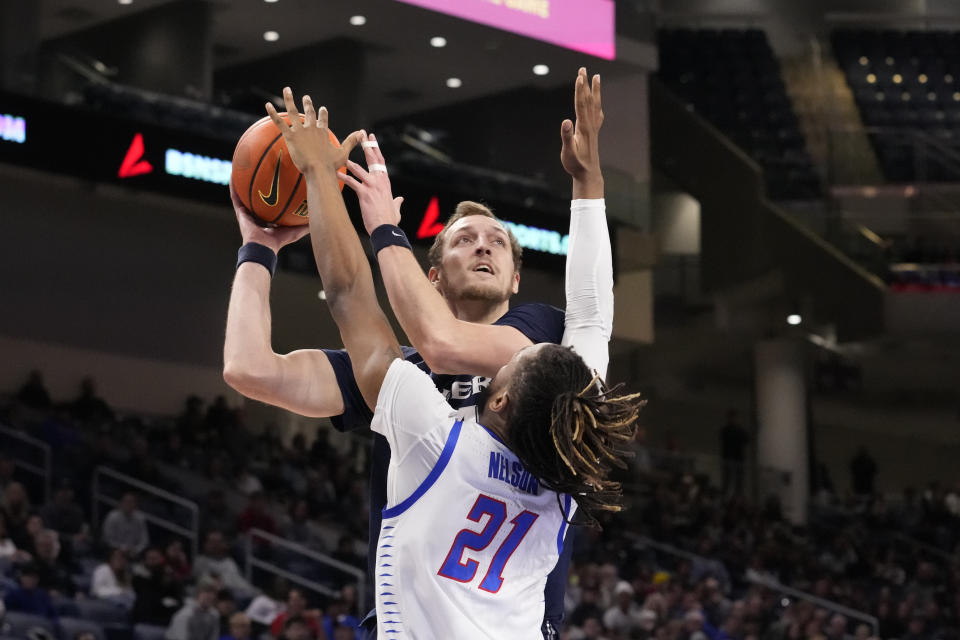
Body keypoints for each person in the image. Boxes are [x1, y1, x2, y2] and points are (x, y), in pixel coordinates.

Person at [223, 68, 614, 637]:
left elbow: (416, 330)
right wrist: (256, 250)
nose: (483, 243)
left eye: (497, 240)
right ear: (431, 277)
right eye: (464, 238)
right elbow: (248, 368)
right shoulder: (567, 425)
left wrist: (364, 215)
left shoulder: (526, 351)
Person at [101, 492, 149, 556]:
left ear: (136, 504)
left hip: (134, 552)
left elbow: (144, 540)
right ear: (121, 503)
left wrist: (137, 550)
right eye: (126, 501)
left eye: (131, 502)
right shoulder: (112, 517)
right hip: (115, 549)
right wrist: (122, 548)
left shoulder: (140, 518)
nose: (128, 504)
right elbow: (108, 538)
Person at [719, 410, 749, 497]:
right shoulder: (725, 430)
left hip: (738, 459)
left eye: (734, 418)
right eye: (731, 418)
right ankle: (725, 497)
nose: (733, 420)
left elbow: (746, 439)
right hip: (728, 458)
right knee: (727, 480)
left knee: (738, 481)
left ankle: (737, 497)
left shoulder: (740, 430)